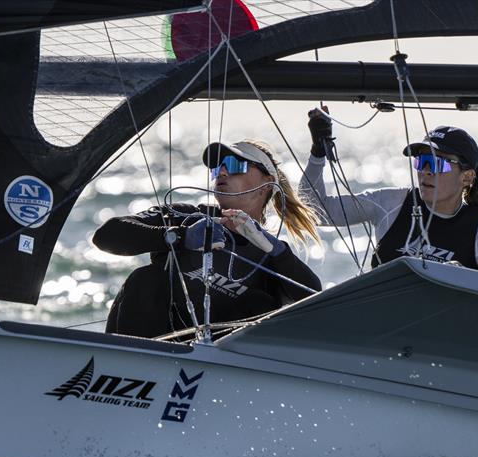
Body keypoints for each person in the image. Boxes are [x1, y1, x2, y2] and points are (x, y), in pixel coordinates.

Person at [93, 139, 322, 338]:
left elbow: (315, 300)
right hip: (153, 353)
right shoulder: (184, 215)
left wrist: (278, 251)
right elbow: (106, 236)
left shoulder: (272, 254)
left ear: (266, 183)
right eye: (217, 167)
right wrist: (179, 236)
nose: (222, 172)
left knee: (261, 304)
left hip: (216, 371)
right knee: (146, 278)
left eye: (234, 165)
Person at [300, 110, 478, 277]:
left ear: (467, 177)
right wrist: (318, 153)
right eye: (421, 162)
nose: (425, 171)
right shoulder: (391, 204)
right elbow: (315, 212)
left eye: (436, 163)